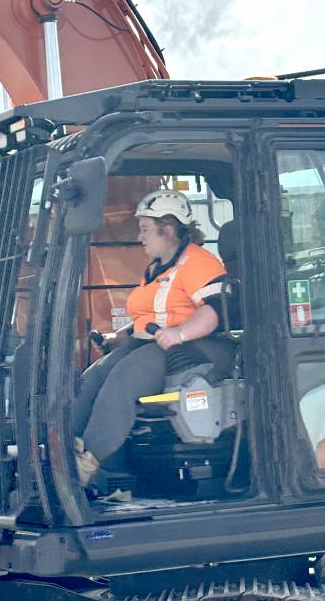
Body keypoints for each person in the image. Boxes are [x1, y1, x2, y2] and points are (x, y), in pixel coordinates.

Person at [73, 189, 236, 485]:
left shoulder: (198, 262)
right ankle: (68, 450)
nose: (140, 237)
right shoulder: (157, 268)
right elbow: (149, 317)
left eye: (146, 229)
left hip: (199, 346)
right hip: (161, 342)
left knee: (122, 380)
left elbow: (216, 312)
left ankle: (87, 465)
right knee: (92, 377)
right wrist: (118, 338)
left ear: (169, 229)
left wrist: (180, 333)